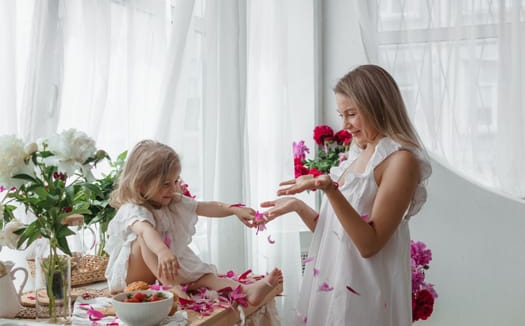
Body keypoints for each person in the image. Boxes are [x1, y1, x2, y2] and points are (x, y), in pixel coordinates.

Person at [261, 64, 431, 325]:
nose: (345, 124)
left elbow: (369, 244)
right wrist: (297, 205)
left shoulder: (400, 160)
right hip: (336, 288)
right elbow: (336, 233)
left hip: (363, 298)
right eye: (341, 114)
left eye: (351, 113)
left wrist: (329, 188)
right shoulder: (360, 155)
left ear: (377, 106)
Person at [104, 139, 283, 306]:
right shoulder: (132, 209)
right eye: (166, 184)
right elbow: (145, 231)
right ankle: (172, 286)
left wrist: (232, 209)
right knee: (143, 238)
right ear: (141, 184)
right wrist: (162, 251)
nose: (173, 188)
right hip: (134, 277)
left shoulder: (171, 200)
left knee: (205, 277)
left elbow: (203, 207)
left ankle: (246, 291)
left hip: (162, 268)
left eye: (175, 181)